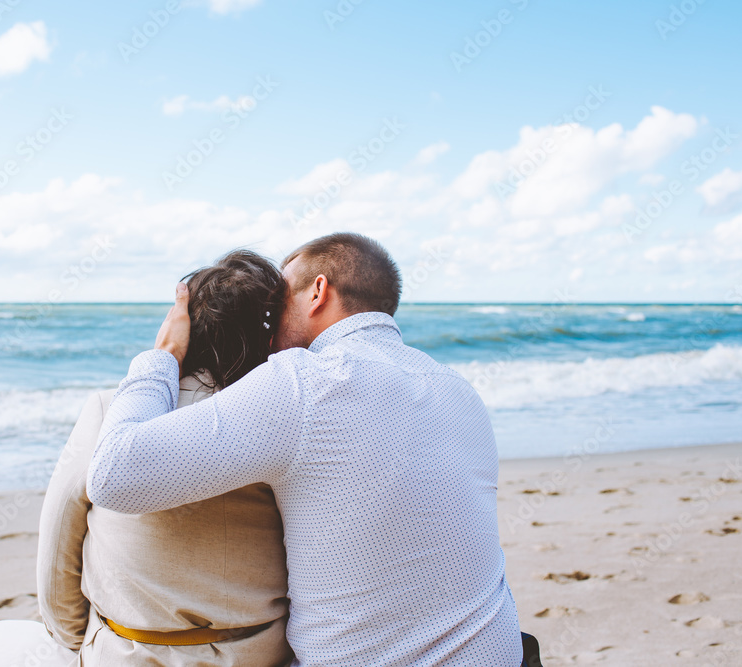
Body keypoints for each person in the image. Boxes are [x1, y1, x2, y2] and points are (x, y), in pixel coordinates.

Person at [88, 232, 524, 666]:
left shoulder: (303, 382)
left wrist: (162, 355)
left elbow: (114, 476)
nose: (268, 325)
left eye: (277, 303)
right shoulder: (459, 391)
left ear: (318, 291)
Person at [0, 250, 295, 666]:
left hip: (129, 652)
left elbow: (57, 542)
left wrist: (81, 641)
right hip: (257, 655)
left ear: (182, 327)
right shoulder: (286, 420)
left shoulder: (111, 412)